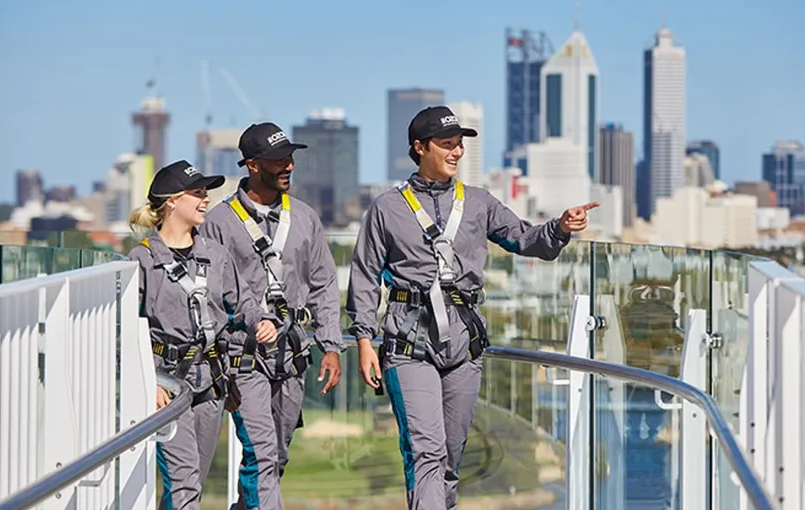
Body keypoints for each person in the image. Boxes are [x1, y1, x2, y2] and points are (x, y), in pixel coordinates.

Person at [346, 106, 599, 510]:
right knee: (426, 453)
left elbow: (524, 238)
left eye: (460, 145)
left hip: (464, 347)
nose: (457, 152)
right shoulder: (386, 208)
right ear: (419, 147)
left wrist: (561, 227)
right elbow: (364, 275)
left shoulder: (478, 202)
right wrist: (363, 339)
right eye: (447, 144)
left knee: (449, 457)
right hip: (408, 346)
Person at [200, 122, 345, 509]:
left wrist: (331, 346)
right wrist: (218, 365)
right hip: (242, 356)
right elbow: (210, 299)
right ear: (252, 165)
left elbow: (324, 284)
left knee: (276, 456)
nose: (289, 166)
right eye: (279, 160)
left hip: (292, 354)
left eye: (291, 158)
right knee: (261, 453)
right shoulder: (218, 223)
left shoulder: (305, 218)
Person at [127, 159, 279, 510]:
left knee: (192, 481)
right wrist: (149, 382)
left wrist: (262, 321)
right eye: (197, 193)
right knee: (184, 481)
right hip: (167, 384)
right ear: (171, 201)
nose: (206, 199)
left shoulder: (216, 255)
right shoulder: (142, 261)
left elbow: (243, 302)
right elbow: (125, 329)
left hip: (211, 383)